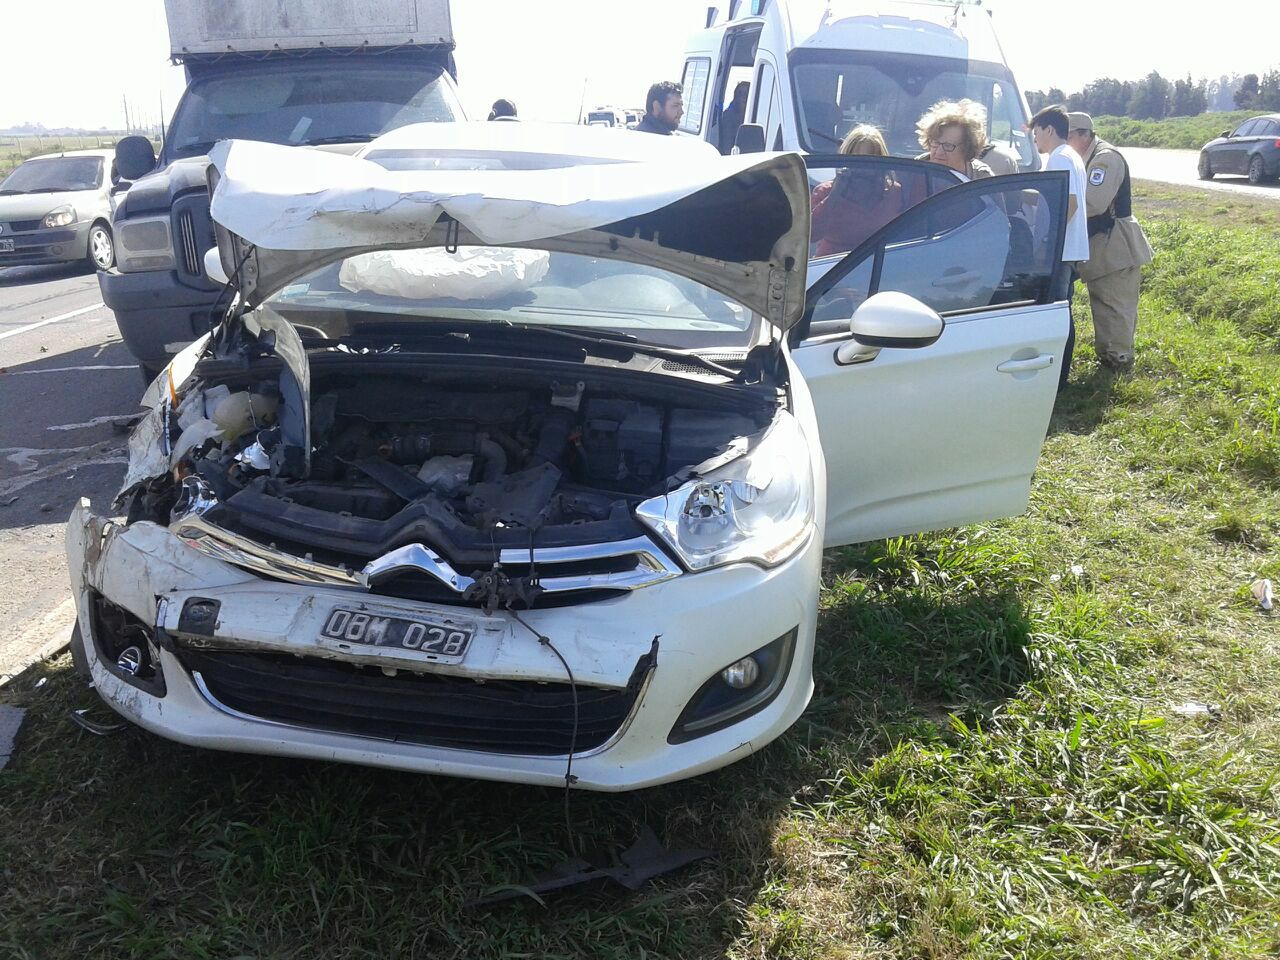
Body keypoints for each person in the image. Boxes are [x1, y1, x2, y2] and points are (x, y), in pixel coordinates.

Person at [1067, 112, 1154, 371]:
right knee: (1103, 302)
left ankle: (1118, 360)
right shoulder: (1086, 157)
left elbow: (1093, 202)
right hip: (1103, 243)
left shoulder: (1105, 159)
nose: (1066, 142)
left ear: (1084, 135)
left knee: (1116, 304)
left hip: (1116, 243)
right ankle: (1109, 357)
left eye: (1068, 136)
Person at [1029, 104, 1089, 391]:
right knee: (1062, 309)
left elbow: (1070, 203)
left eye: (1036, 133)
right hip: (1070, 250)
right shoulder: (1071, 156)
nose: (1035, 140)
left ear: (1049, 130)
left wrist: (1045, 241)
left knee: (1057, 313)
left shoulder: (1058, 158)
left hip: (1060, 251)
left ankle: (1057, 380)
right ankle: (1059, 376)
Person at [809, 125, 902, 257]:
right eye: (856, 160)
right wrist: (835, 194)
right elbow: (812, 235)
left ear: (881, 162)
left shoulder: (893, 192)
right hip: (832, 267)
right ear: (845, 159)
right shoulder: (825, 191)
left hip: (876, 266)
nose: (862, 169)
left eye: (869, 161)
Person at [915, 99, 995, 180]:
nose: (939, 152)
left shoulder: (981, 177)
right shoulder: (915, 168)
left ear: (966, 148)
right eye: (935, 143)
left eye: (948, 146)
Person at [718, 81, 750, 155]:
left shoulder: (755, 115)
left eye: (747, 94)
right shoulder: (729, 117)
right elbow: (727, 147)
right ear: (736, 97)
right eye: (740, 94)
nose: (744, 98)